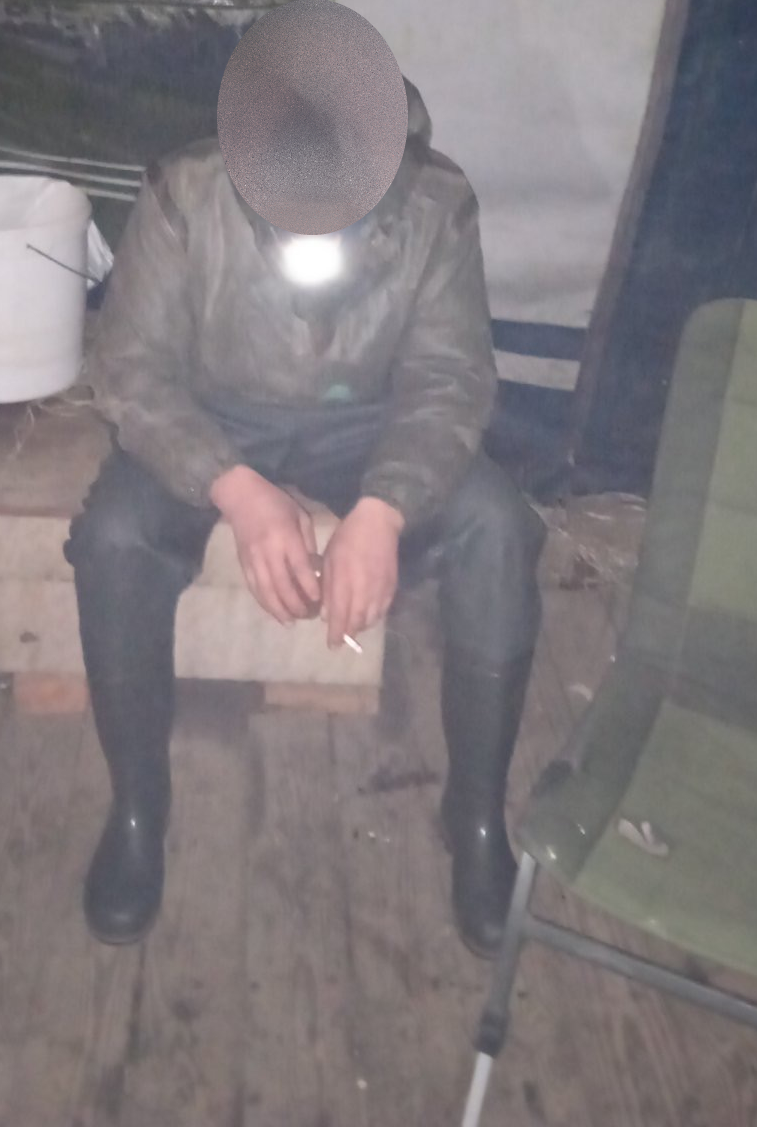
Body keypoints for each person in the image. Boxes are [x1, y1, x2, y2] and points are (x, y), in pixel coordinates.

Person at [65, 59, 544, 959]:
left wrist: (385, 508)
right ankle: (137, 810)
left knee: (498, 531)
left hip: (369, 418)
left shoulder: (436, 203)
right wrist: (237, 488)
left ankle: (476, 816)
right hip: (214, 415)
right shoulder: (184, 193)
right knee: (113, 539)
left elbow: (450, 380)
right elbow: (128, 369)